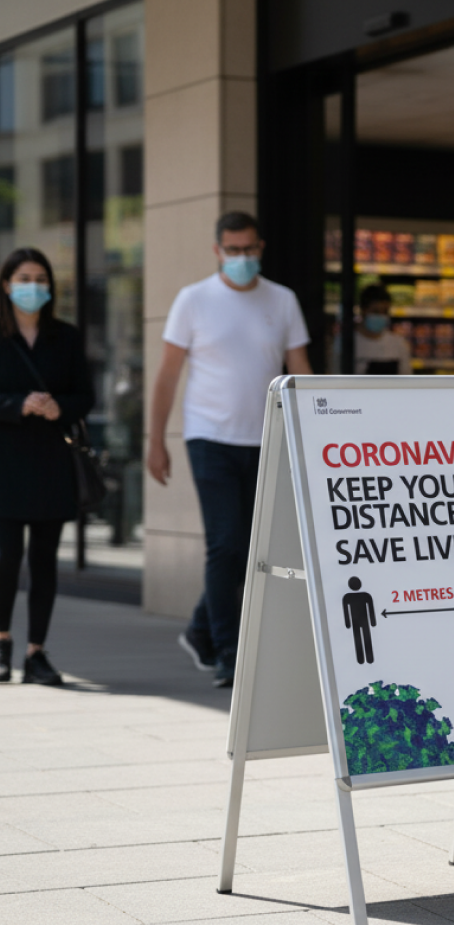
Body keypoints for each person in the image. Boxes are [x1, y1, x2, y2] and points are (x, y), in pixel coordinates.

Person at [147, 211, 313, 687]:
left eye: (249, 249)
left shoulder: (282, 300)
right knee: (226, 543)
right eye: (232, 250)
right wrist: (157, 441)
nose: (242, 258)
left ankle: (199, 630)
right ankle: (226, 648)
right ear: (217, 251)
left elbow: (300, 369)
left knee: (247, 547)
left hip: (267, 439)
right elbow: (167, 374)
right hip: (209, 439)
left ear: (261, 247)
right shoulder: (193, 300)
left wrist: (318, 435)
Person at [0, 248, 94, 685]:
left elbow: (86, 395)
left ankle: (37, 652)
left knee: (44, 561)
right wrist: (19, 404)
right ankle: (2, 645)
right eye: (24, 278)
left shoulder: (66, 337)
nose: (33, 286)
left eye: (41, 279)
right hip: (6, 463)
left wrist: (60, 406)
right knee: (5, 560)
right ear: (6, 283)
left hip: (52, 462)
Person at [355, 285, 411, 375]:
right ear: (363, 310)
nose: (381, 316)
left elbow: (406, 379)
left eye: (385, 312)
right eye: (375, 312)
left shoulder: (399, 343)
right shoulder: (346, 343)